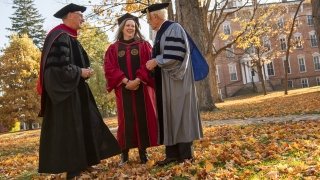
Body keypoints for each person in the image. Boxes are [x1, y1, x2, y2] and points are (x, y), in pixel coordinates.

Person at [37, 3, 121, 179]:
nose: (83, 18)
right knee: (72, 130)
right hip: (66, 94)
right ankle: (73, 169)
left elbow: (73, 64)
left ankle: (84, 163)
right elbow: (56, 70)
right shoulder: (59, 37)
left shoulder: (69, 37)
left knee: (87, 124)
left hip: (76, 90)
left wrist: (85, 72)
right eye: (79, 14)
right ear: (69, 15)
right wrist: (79, 72)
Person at [142, 3, 203, 166]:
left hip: (177, 82)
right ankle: (172, 155)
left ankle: (185, 155)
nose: (149, 22)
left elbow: (175, 55)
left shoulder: (173, 28)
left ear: (156, 17)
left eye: (149, 19)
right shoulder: (163, 32)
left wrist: (156, 61)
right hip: (167, 82)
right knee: (170, 116)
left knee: (179, 115)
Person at [104, 13, 158, 165]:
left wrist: (138, 80)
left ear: (136, 28)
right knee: (125, 121)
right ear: (122, 28)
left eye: (133, 26)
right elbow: (109, 68)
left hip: (140, 88)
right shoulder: (114, 48)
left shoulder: (143, 45)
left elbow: (148, 64)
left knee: (142, 119)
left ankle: (143, 153)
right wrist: (126, 81)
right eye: (127, 25)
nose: (130, 28)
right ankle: (124, 155)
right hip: (123, 89)